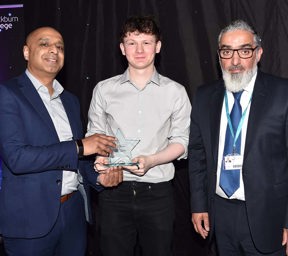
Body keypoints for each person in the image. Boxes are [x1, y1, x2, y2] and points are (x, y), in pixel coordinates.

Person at [0, 26, 123, 256]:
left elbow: (78, 161)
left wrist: (99, 177)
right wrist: (80, 146)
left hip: (73, 216)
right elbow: (17, 158)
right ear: (26, 52)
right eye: (44, 44)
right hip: (30, 223)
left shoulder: (70, 101)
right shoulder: (7, 94)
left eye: (60, 47)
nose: (54, 50)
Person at [86, 15, 191, 256]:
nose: (140, 50)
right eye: (132, 43)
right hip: (114, 192)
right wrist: (100, 162)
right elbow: (95, 135)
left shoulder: (175, 92)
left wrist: (152, 160)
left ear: (158, 46)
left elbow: (182, 142)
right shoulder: (104, 89)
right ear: (122, 49)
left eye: (146, 42)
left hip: (158, 194)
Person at [188, 19, 288, 255]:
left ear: (258, 53)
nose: (234, 61)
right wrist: (199, 204)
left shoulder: (282, 94)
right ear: (218, 55)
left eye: (244, 51)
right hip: (218, 214)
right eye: (226, 51)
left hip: (269, 216)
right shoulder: (204, 97)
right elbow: (197, 155)